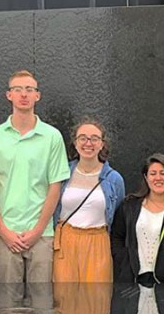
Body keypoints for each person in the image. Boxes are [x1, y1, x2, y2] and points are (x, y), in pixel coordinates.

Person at [0, 70, 69, 285]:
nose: (24, 94)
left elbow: (54, 187)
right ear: (8, 95)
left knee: (41, 305)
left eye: (29, 90)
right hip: (5, 234)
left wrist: (38, 229)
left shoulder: (52, 137)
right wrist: (3, 231)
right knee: (7, 306)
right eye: (17, 89)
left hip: (41, 234)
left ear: (37, 96)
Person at [52, 118, 124, 282]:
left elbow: (119, 217)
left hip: (99, 242)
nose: (88, 143)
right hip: (65, 241)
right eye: (82, 138)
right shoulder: (62, 173)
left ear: (102, 144)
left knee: (97, 299)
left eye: (94, 138)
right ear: (75, 143)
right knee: (64, 299)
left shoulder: (114, 179)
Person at [111, 153, 164, 284]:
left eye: (163, 173)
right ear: (146, 177)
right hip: (134, 280)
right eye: (153, 173)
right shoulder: (129, 206)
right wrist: (124, 261)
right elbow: (117, 237)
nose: (158, 178)